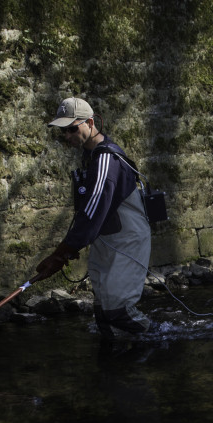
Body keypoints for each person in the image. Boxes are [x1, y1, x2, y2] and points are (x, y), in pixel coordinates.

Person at [38, 96, 152, 337]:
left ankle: (156, 337)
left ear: (90, 122)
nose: (67, 136)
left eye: (72, 129)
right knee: (103, 313)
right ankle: (117, 364)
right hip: (105, 239)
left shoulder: (106, 160)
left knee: (117, 310)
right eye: (63, 131)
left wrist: (61, 253)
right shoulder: (90, 157)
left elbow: (91, 213)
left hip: (127, 240)